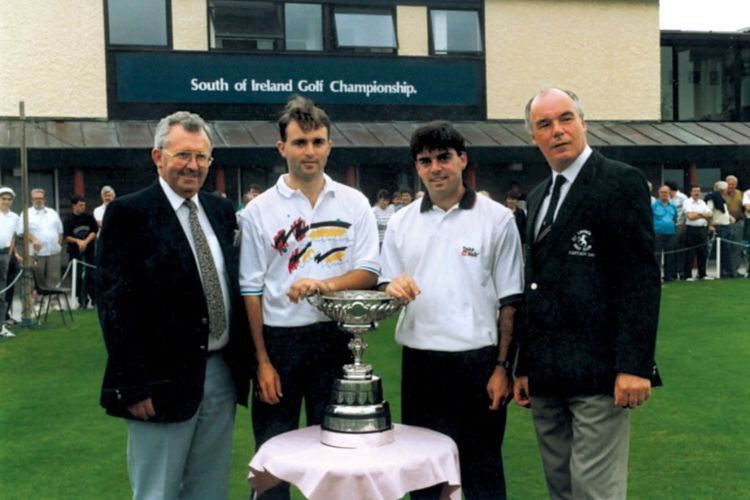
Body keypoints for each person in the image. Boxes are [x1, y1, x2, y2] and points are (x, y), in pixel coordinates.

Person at [96, 111, 253, 500]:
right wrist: (132, 384)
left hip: (219, 374)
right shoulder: (128, 214)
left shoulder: (219, 211)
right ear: (158, 157)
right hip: (157, 381)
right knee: (158, 491)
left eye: (202, 157)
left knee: (209, 490)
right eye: (183, 154)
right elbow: (114, 306)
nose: (193, 165)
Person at [514, 87, 661, 500]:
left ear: (583, 123)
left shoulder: (621, 181)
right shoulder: (539, 195)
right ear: (534, 137)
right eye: (544, 124)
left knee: (595, 492)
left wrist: (636, 365)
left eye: (565, 119)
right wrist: (525, 365)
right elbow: (535, 286)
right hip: (546, 375)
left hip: (600, 373)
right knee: (561, 490)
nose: (557, 130)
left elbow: (640, 278)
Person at [238, 96, 379, 500]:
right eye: (300, 142)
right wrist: (261, 362)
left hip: (337, 340)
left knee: (336, 455)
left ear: (330, 145)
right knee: (272, 458)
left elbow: (369, 272)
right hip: (279, 341)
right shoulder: (259, 210)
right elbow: (251, 289)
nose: (310, 151)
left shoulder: (354, 202)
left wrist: (323, 285)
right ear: (282, 148)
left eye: (318, 141)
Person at [381, 122, 523, 499]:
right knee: (424, 476)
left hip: (477, 364)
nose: (435, 168)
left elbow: (510, 301)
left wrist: (501, 368)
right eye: (425, 161)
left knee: (481, 472)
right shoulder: (400, 222)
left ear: (463, 159)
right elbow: (386, 285)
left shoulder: (498, 218)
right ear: (417, 168)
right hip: (421, 363)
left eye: (444, 158)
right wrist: (390, 286)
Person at [16, 188, 63, 289]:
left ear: (44, 199)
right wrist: (33, 239)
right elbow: (21, 232)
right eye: (35, 198)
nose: (38, 200)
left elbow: (60, 231)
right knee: (36, 278)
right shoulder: (26, 213)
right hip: (35, 253)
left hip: (53, 252)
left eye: (40, 198)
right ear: (32, 200)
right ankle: (35, 301)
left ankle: (53, 301)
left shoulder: (52, 212)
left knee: (54, 277)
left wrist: (58, 245)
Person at [63, 195, 98, 308]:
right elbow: (66, 236)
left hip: (89, 251)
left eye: (84, 205)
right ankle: (81, 299)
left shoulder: (89, 218)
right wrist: (78, 241)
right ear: (74, 206)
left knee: (91, 275)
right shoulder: (68, 220)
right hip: (75, 252)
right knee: (77, 276)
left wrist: (85, 242)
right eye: (80, 205)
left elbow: (94, 231)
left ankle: (94, 298)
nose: (83, 207)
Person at [683, 184, 713, 281]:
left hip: (702, 229)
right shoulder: (687, 202)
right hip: (691, 229)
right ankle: (688, 275)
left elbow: (710, 214)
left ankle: (702, 274)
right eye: (695, 191)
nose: (697, 193)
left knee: (702, 252)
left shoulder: (702, 202)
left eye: (698, 191)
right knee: (690, 253)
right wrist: (702, 214)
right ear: (691, 192)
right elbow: (690, 217)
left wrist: (698, 214)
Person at [0, 187, 19, 338]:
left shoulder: (14, 217)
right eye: (3, 199)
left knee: (3, 290)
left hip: (5, 254)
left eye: (8, 199)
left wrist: (11, 251)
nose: (6, 202)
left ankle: (1, 325)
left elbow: (14, 236)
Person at [705, 181, 733, 278]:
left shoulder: (722, 199)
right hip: (719, 226)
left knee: (727, 250)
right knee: (722, 250)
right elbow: (709, 212)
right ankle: (722, 272)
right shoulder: (712, 199)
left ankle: (727, 271)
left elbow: (724, 212)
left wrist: (730, 217)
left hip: (726, 225)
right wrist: (710, 224)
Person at [652, 185, 679, 282]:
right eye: (662, 192)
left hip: (670, 233)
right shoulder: (654, 206)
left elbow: (675, 218)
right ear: (659, 194)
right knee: (657, 256)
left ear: (669, 193)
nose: (664, 194)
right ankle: (655, 277)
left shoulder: (672, 206)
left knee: (670, 256)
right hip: (657, 233)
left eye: (666, 192)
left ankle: (668, 276)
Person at [722, 175, 744, 277]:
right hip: (725, 223)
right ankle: (725, 270)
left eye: (733, 184)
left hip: (738, 223)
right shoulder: (722, 194)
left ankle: (735, 271)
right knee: (726, 247)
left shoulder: (740, 193)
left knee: (736, 247)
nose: (731, 186)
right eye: (729, 184)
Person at [665, 180, 688, 280]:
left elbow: (686, 211)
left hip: (679, 225)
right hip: (670, 226)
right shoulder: (668, 198)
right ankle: (673, 272)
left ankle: (680, 271)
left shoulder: (682, 197)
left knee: (678, 249)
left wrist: (684, 225)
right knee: (671, 249)